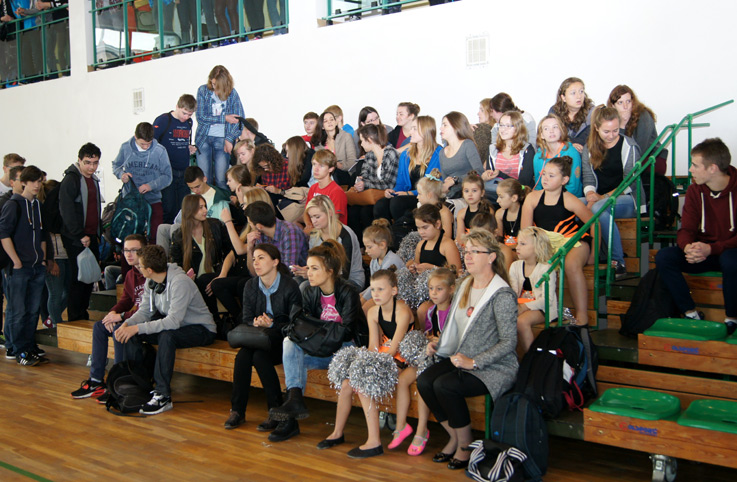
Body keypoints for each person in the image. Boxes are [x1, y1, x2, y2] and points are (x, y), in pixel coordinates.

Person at [417, 229, 518, 470]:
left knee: (445, 385)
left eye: (475, 252)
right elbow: (456, 327)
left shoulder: (501, 293)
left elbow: (508, 342)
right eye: (466, 251)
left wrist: (474, 362)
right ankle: (454, 436)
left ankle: (465, 445)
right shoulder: (464, 284)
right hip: (461, 358)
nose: (468, 256)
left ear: (491, 257)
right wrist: (439, 344)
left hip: (493, 366)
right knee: (425, 381)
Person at [267, 243, 367, 442]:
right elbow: (301, 326)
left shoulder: (348, 292)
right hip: (323, 348)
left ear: (330, 271)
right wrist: (323, 332)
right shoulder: (309, 292)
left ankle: (290, 418)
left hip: (345, 352)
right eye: (308, 267)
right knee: (289, 344)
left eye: (314, 268)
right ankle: (294, 402)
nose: (309, 273)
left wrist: (318, 331)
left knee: (294, 362)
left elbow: (346, 332)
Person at [320, 269, 413, 459]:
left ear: (394, 291)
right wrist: (362, 364)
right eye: (373, 289)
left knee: (362, 384)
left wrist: (367, 369)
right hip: (383, 357)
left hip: (401, 360)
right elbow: (373, 346)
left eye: (381, 289)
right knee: (347, 384)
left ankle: (374, 441)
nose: (375, 294)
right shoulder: (373, 312)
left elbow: (394, 350)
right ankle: (337, 433)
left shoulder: (402, 311)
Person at [114, 245, 217, 415]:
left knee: (167, 336)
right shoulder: (151, 280)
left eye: (140, 266)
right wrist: (128, 324)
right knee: (134, 335)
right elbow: (145, 311)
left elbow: (173, 321)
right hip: (177, 327)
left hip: (202, 329)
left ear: (149, 269)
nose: (138, 268)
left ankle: (163, 395)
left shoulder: (179, 282)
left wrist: (137, 328)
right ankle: (140, 387)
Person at [656, 138, 737, 335]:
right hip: (704, 253)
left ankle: (732, 318)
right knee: (665, 257)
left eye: (695, 165)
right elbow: (686, 229)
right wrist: (688, 247)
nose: (690, 169)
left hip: (730, 252)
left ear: (713, 168)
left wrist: (712, 248)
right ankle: (690, 313)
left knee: (730, 260)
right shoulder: (695, 190)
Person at [224, 243, 301, 430]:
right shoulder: (250, 285)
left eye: (261, 258)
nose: (256, 263)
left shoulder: (290, 286)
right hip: (259, 337)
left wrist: (272, 324)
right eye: (253, 259)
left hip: (282, 340)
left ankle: (275, 410)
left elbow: (295, 323)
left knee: (259, 357)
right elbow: (246, 317)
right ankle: (237, 411)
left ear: (275, 262)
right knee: (243, 356)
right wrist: (256, 322)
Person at [70, 234, 147, 399]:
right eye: (126, 250)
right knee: (100, 326)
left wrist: (121, 316)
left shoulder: (150, 273)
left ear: (144, 251)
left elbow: (151, 311)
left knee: (119, 329)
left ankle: (118, 382)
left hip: (148, 322)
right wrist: (112, 313)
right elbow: (125, 300)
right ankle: (96, 380)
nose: (129, 254)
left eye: (134, 250)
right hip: (133, 318)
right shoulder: (131, 275)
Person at [390, 267, 455, 456]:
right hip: (429, 355)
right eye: (431, 289)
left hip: (445, 360)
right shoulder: (430, 311)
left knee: (422, 379)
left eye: (439, 289)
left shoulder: (454, 312)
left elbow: (456, 340)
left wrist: (440, 341)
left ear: (451, 289)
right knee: (403, 379)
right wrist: (428, 340)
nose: (434, 293)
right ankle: (401, 426)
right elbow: (428, 334)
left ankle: (421, 429)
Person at [521, 156, 592, 326]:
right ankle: (535, 308)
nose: (545, 178)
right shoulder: (532, 198)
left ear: (564, 180)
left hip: (573, 241)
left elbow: (594, 223)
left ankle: (582, 315)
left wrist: (594, 254)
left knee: (571, 264)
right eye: (544, 174)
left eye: (551, 176)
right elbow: (526, 232)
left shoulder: (570, 200)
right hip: (546, 243)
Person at [582, 106, 642, 278]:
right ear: (596, 128)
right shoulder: (589, 147)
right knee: (576, 204)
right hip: (600, 197)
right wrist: (590, 195)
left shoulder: (629, 146)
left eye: (615, 130)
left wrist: (603, 197)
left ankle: (617, 261)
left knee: (598, 207)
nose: (612, 135)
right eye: (606, 131)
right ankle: (587, 252)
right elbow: (588, 178)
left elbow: (630, 182)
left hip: (628, 198)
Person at [0, 165, 47, 366]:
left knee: (32, 310)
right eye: (33, 181)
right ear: (24, 182)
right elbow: (3, 234)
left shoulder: (37, 205)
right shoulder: (14, 205)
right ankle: (18, 349)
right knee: (18, 310)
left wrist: (43, 258)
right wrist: (16, 261)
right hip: (20, 268)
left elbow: (42, 234)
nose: (37, 185)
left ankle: (29, 346)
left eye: (39, 181)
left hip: (36, 266)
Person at [170, 194, 232, 323]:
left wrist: (222, 274)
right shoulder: (179, 235)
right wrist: (186, 278)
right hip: (194, 280)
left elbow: (230, 252)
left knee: (204, 281)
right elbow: (176, 265)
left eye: (205, 206)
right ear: (190, 210)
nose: (205, 210)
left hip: (219, 273)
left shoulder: (215, 225)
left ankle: (214, 321)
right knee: (199, 283)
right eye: (200, 207)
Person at [59, 143, 102, 322]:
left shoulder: (94, 180)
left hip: (91, 234)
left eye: (95, 163)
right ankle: (75, 317)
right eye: (87, 163)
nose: (91, 167)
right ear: (79, 160)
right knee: (78, 278)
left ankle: (82, 313)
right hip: (76, 237)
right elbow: (66, 210)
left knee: (89, 277)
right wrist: (79, 234)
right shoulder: (71, 179)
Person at [112, 122, 173, 242]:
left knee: (155, 238)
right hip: (130, 202)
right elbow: (116, 166)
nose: (145, 147)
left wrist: (151, 186)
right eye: (142, 144)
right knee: (130, 238)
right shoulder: (125, 147)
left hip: (153, 200)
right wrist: (122, 175)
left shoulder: (160, 151)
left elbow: (168, 176)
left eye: (148, 144)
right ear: (135, 137)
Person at [375, 116, 442, 223]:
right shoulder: (406, 154)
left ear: (425, 131)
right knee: (380, 205)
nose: (410, 132)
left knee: (397, 203)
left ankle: (404, 230)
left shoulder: (438, 154)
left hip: (424, 196)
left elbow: (431, 186)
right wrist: (393, 191)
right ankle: (389, 232)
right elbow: (400, 183)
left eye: (414, 129)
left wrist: (408, 194)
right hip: (406, 195)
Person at [397, 204, 461, 313]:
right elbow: (417, 265)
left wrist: (432, 268)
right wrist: (414, 268)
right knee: (400, 306)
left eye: (425, 227)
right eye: (418, 228)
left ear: (437, 224)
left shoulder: (447, 244)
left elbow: (457, 273)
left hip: (440, 292)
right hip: (421, 290)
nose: (421, 232)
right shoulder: (421, 245)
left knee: (423, 310)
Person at [294, 195, 364, 289]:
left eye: (317, 217)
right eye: (311, 217)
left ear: (330, 213)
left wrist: (313, 273)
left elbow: (344, 273)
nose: (314, 221)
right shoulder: (314, 235)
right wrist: (307, 269)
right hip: (324, 276)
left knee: (305, 287)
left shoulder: (346, 235)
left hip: (350, 281)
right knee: (295, 281)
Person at [195, 65, 245, 190]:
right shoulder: (203, 90)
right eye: (212, 83)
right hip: (203, 139)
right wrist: (224, 118)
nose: (214, 88)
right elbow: (201, 117)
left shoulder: (232, 94)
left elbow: (239, 121)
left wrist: (229, 139)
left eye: (216, 85)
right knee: (204, 180)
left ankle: (223, 203)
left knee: (222, 180)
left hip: (222, 140)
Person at [510, 226, 557, 352]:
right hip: (521, 305)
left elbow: (547, 300)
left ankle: (532, 357)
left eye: (523, 244)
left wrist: (524, 307)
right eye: (517, 243)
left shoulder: (546, 268)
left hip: (543, 308)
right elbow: (512, 293)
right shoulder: (515, 266)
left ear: (537, 247)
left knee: (521, 322)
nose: (517, 247)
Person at [348, 123, 400, 236]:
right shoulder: (369, 155)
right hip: (372, 195)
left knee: (367, 211)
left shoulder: (391, 154)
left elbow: (389, 183)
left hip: (388, 194)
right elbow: (364, 175)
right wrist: (361, 183)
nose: (361, 144)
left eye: (362, 140)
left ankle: (381, 240)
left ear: (370, 140)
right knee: (353, 211)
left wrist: (366, 183)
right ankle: (362, 243)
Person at [154, 94, 198, 224]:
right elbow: (152, 144)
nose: (186, 117)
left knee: (183, 209)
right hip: (168, 170)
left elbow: (183, 141)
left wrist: (189, 147)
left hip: (183, 169)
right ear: (177, 106)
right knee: (169, 208)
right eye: (184, 113)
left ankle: (181, 234)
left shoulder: (189, 123)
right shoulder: (163, 120)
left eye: (190, 115)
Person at [240, 200, 308, 276]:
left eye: (250, 223)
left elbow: (288, 270)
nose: (250, 226)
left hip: (297, 277)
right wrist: (250, 248)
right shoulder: (260, 235)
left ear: (259, 226)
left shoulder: (289, 231)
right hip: (273, 276)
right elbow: (254, 273)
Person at [482, 111, 536, 196]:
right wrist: (486, 177)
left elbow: (524, 183)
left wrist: (500, 175)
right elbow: (491, 177)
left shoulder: (527, 150)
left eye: (508, 126)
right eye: (501, 125)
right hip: (495, 193)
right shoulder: (493, 149)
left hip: (517, 195)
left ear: (518, 128)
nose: (503, 129)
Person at [532, 114, 583, 197]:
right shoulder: (538, 156)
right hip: (546, 196)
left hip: (570, 197)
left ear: (561, 130)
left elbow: (573, 187)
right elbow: (538, 185)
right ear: (541, 135)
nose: (551, 131)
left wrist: (552, 199)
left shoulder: (571, 152)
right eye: (546, 128)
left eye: (555, 127)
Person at [361, 219, 405, 310]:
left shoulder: (391, 261)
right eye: (365, 247)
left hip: (397, 295)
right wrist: (361, 295)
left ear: (382, 245)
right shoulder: (374, 261)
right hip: (382, 292)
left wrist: (363, 299)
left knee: (365, 308)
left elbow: (380, 285)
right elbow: (373, 285)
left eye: (369, 247)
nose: (366, 251)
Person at [438, 112, 484, 199]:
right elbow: (445, 179)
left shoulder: (467, 144)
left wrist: (455, 180)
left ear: (456, 126)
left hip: (468, 192)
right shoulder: (442, 152)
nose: (441, 128)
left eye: (445, 125)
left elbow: (479, 172)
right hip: (451, 193)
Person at [607, 85, 659, 156]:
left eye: (628, 101)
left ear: (633, 102)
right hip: (630, 158)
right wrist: (622, 125)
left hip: (651, 157)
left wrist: (622, 125)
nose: (625, 106)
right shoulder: (612, 120)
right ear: (613, 106)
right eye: (620, 102)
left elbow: (638, 150)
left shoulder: (643, 116)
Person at [549, 77, 595, 153]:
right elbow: (550, 136)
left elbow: (590, 138)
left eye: (581, 91)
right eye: (573, 93)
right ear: (563, 97)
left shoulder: (592, 112)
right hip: (561, 152)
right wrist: (568, 145)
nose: (579, 96)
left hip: (585, 153)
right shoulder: (555, 111)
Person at [304, 150, 348, 226]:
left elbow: (335, 221)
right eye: (314, 164)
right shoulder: (313, 188)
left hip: (332, 229)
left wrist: (314, 229)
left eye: (321, 166)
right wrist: (308, 225)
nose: (316, 169)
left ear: (331, 169)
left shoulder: (336, 191)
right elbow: (306, 211)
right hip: (316, 226)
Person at [456, 172, 494, 240]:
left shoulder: (488, 210)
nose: (470, 194)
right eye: (466, 191)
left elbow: (490, 236)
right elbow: (459, 238)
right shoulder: (461, 213)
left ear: (482, 193)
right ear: (462, 193)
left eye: (474, 191)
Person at [495, 179, 525, 249]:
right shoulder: (499, 214)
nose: (497, 200)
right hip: (506, 248)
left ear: (514, 198)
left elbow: (525, 240)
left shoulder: (524, 212)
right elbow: (500, 238)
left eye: (501, 197)